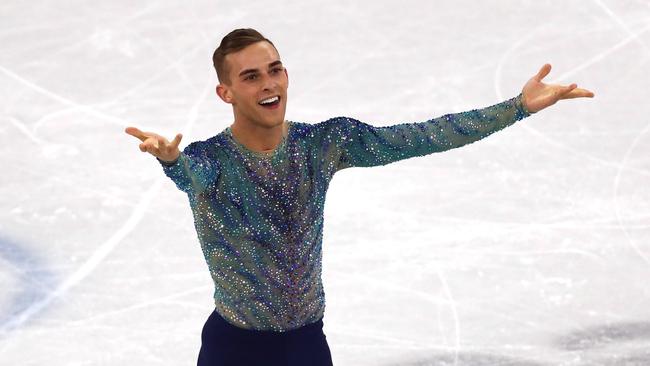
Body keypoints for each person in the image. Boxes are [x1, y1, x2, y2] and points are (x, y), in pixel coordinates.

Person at [125, 28, 595, 366]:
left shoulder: (322, 143)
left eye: (275, 70)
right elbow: (191, 177)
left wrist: (515, 108)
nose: (269, 84)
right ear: (224, 92)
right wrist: (171, 160)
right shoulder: (212, 160)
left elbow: (421, 136)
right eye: (251, 77)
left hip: (306, 345)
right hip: (235, 349)